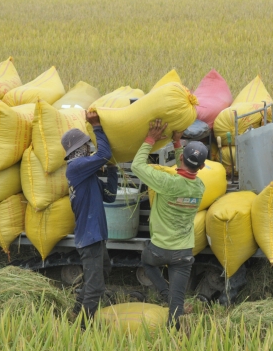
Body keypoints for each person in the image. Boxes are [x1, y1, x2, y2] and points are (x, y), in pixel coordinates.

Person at [131, 119, 208, 330]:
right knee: (177, 303)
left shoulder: (166, 183)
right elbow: (186, 169)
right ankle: (174, 334)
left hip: (158, 250)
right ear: (202, 166)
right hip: (183, 253)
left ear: (181, 158)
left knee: (146, 262)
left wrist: (150, 139)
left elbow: (137, 166)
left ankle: (163, 293)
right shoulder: (199, 187)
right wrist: (177, 143)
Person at [61, 110, 118, 324]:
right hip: (90, 237)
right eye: (87, 145)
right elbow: (102, 154)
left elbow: (110, 197)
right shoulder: (75, 168)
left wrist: (112, 169)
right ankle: (83, 328)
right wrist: (96, 126)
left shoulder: (87, 176)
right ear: (79, 149)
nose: (90, 148)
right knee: (96, 287)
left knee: (104, 270)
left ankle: (77, 311)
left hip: (95, 236)